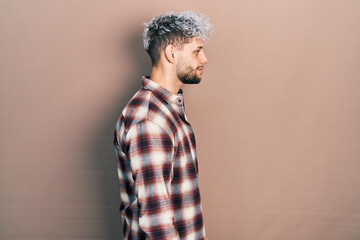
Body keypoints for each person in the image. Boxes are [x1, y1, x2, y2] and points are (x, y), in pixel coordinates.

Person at [113, 11, 214, 240]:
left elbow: (181, 202)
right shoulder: (150, 122)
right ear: (171, 53)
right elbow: (157, 224)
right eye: (197, 51)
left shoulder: (167, 108)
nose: (204, 58)